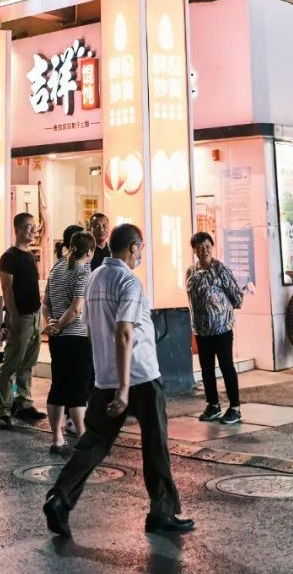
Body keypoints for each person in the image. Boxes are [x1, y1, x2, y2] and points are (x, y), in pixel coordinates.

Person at [43, 223, 193, 539]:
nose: (141, 254)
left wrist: (113, 381)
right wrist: (124, 388)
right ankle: (161, 512)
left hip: (105, 376)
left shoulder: (96, 277)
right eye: (141, 248)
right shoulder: (129, 281)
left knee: (93, 442)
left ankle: (60, 497)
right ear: (133, 247)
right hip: (138, 375)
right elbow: (124, 331)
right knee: (156, 444)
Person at [43, 230, 95, 453]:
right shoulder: (83, 273)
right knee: (78, 389)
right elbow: (77, 308)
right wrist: (60, 326)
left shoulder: (56, 268)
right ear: (90, 251)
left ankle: (56, 438)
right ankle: (83, 438)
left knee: (58, 386)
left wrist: (51, 325)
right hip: (76, 336)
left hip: (57, 340)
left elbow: (45, 303)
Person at [185, 231, 243, 423]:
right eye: (200, 248)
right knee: (206, 369)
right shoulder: (190, 272)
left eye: (207, 247)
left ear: (212, 247)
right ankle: (213, 405)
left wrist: (221, 310)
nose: (204, 251)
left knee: (226, 366)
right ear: (194, 250)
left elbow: (236, 295)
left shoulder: (220, 269)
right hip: (201, 330)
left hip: (222, 329)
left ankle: (235, 407)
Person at [0, 212, 46, 429]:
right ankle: (4, 410)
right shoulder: (9, 257)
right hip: (21, 317)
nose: (32, 230)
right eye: (27, 226)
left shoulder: (29, 256)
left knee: (28, 363)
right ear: (17, 229)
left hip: (35, 316)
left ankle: (24, 403)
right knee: (11, 364)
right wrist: (13, 317)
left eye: (33, 227)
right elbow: (7, 289)